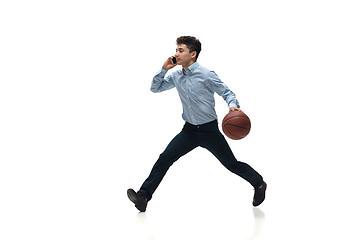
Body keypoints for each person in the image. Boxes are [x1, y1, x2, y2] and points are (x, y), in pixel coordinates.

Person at [127, 36, 266, 212]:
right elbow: (156, 88)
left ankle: (259, 184)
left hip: (209, 131)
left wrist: (233, 107)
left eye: (180, 50)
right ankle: (143, 196)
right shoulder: (176, 75)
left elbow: (227, 93)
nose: (176, 53)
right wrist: (164, 69)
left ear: (193, 54)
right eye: (176, 50)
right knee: (165, 159)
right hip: (189, 131)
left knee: (231, 164)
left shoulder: (207, 75)